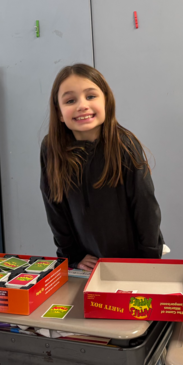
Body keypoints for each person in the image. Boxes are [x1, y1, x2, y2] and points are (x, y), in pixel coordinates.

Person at [40, 64, 164, 272]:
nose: (82, 106)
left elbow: (146, 210)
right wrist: (72, 255)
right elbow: (55, 208)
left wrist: (148, 260)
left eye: (90, 96)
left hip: (133, 261)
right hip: (87, 265)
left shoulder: (124, 145)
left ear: (106, 101)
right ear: (60, 113)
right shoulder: (51, 148)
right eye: (70, 100)